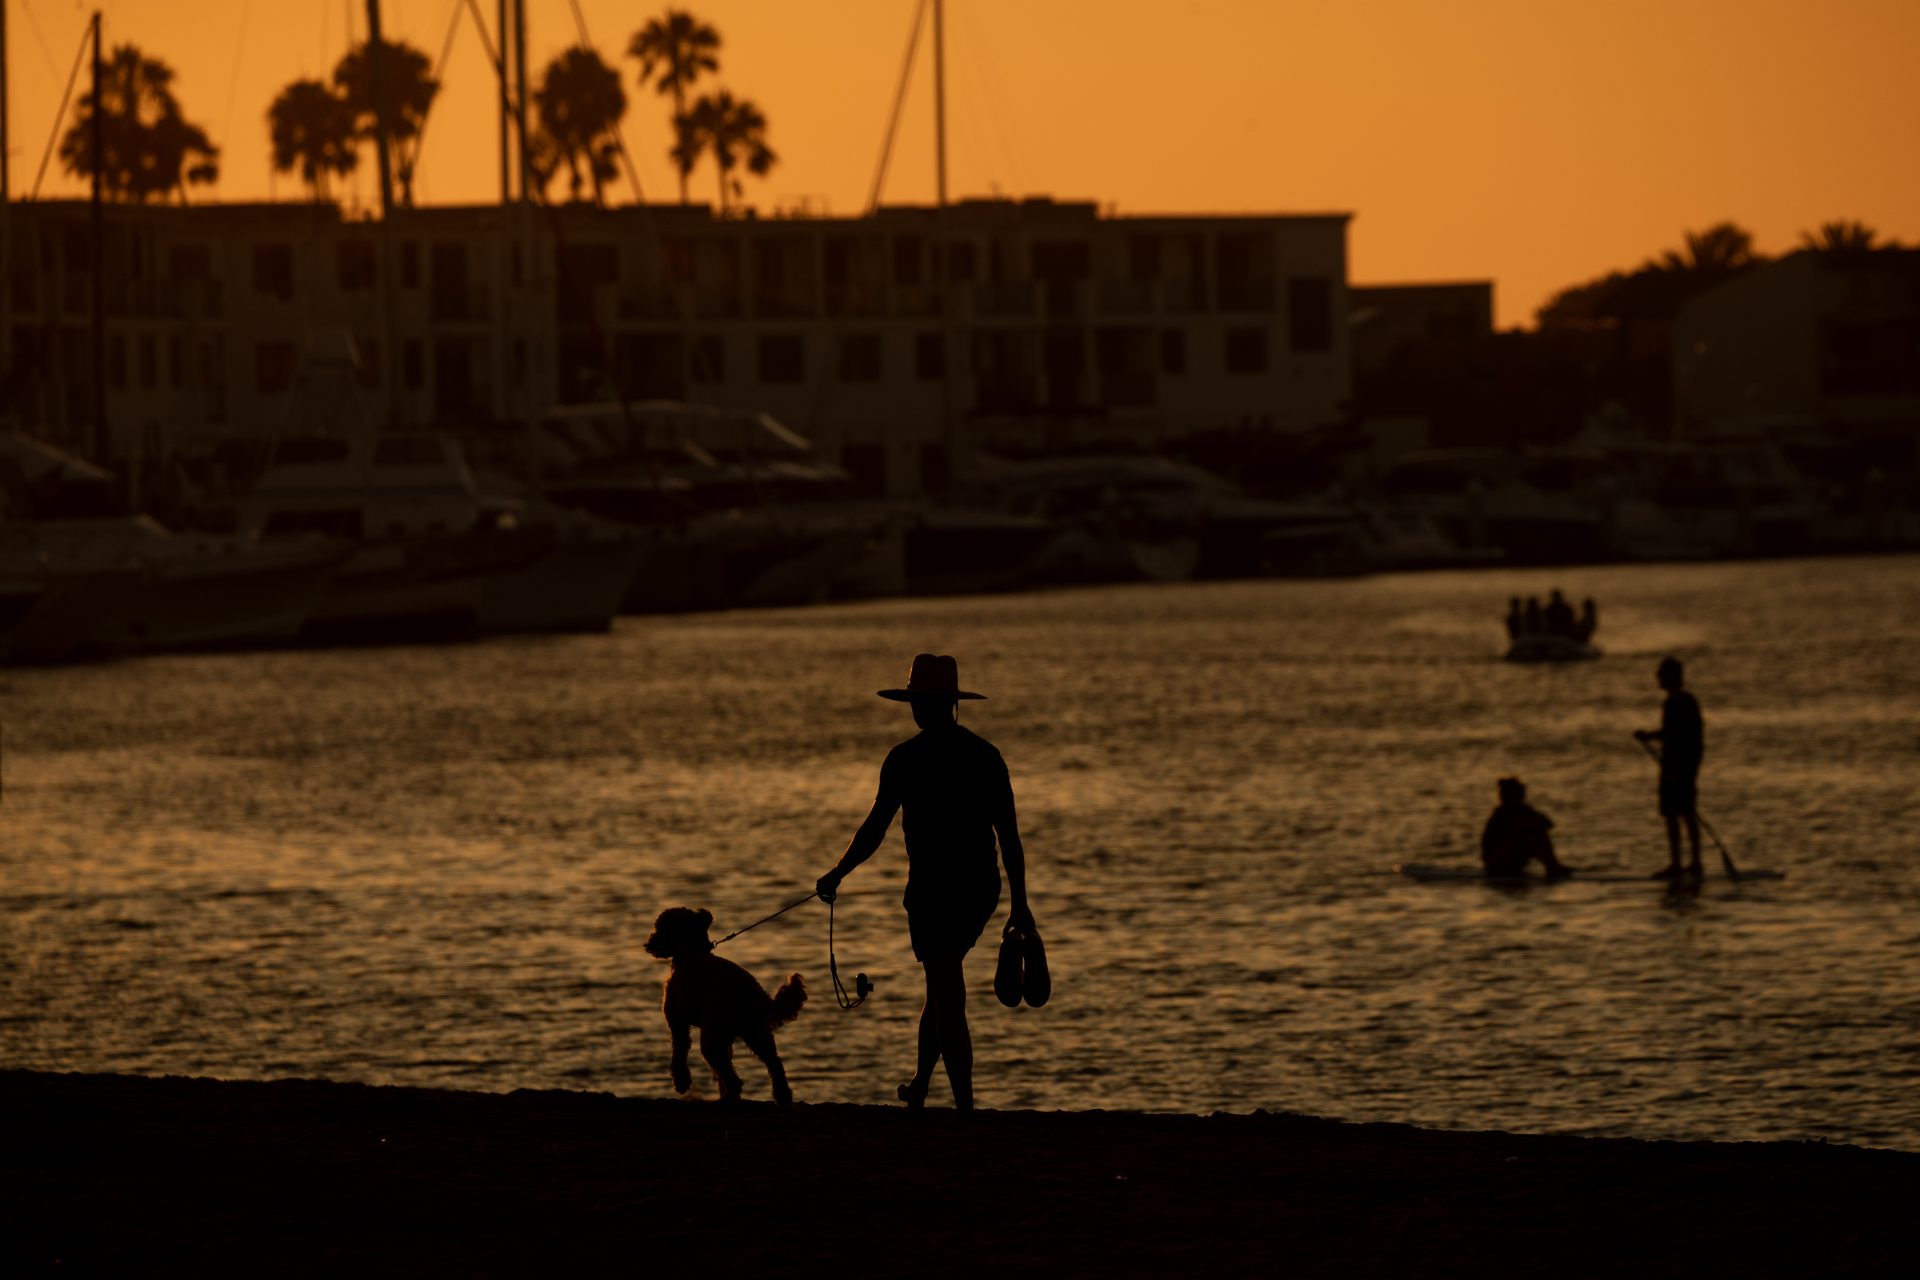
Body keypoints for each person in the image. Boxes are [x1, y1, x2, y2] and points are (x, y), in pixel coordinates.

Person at [816, 654, 1035, 1112]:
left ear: (916, 707)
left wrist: (839, 873)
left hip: (934, 892)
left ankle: (964, 1108)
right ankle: (919, 1085)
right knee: (941, 985)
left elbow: (874, 829)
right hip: (980, 889)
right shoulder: (986, 756)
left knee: (946, 992)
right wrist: (1020, 904)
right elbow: (1009, 839)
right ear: (953, 704)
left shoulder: (904, 760)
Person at [1634, 656, 1704, 878]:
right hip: (1684, 766)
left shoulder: (1675, 702)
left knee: (1675, 815)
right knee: (1686, 813)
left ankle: (1679, 863)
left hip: (1677, 767)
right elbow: (1693, 738)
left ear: (1669, 677)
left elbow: (1672, 733)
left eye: (1660, 675)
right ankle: (1694, 862)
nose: (1657, 678)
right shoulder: (1688, 700)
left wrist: (1646, 735)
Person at [1480, 777, 1572, 879]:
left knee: (1538, 831)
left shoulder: (1524, 810)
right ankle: (1552, 866)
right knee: (1526, 833)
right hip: (1497, 862)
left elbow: (1548, 824)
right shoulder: (1501, 814)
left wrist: (1533, 822)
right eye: (1520, 793)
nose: (1523, 796)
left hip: (1513, 858)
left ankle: (1552, 865)